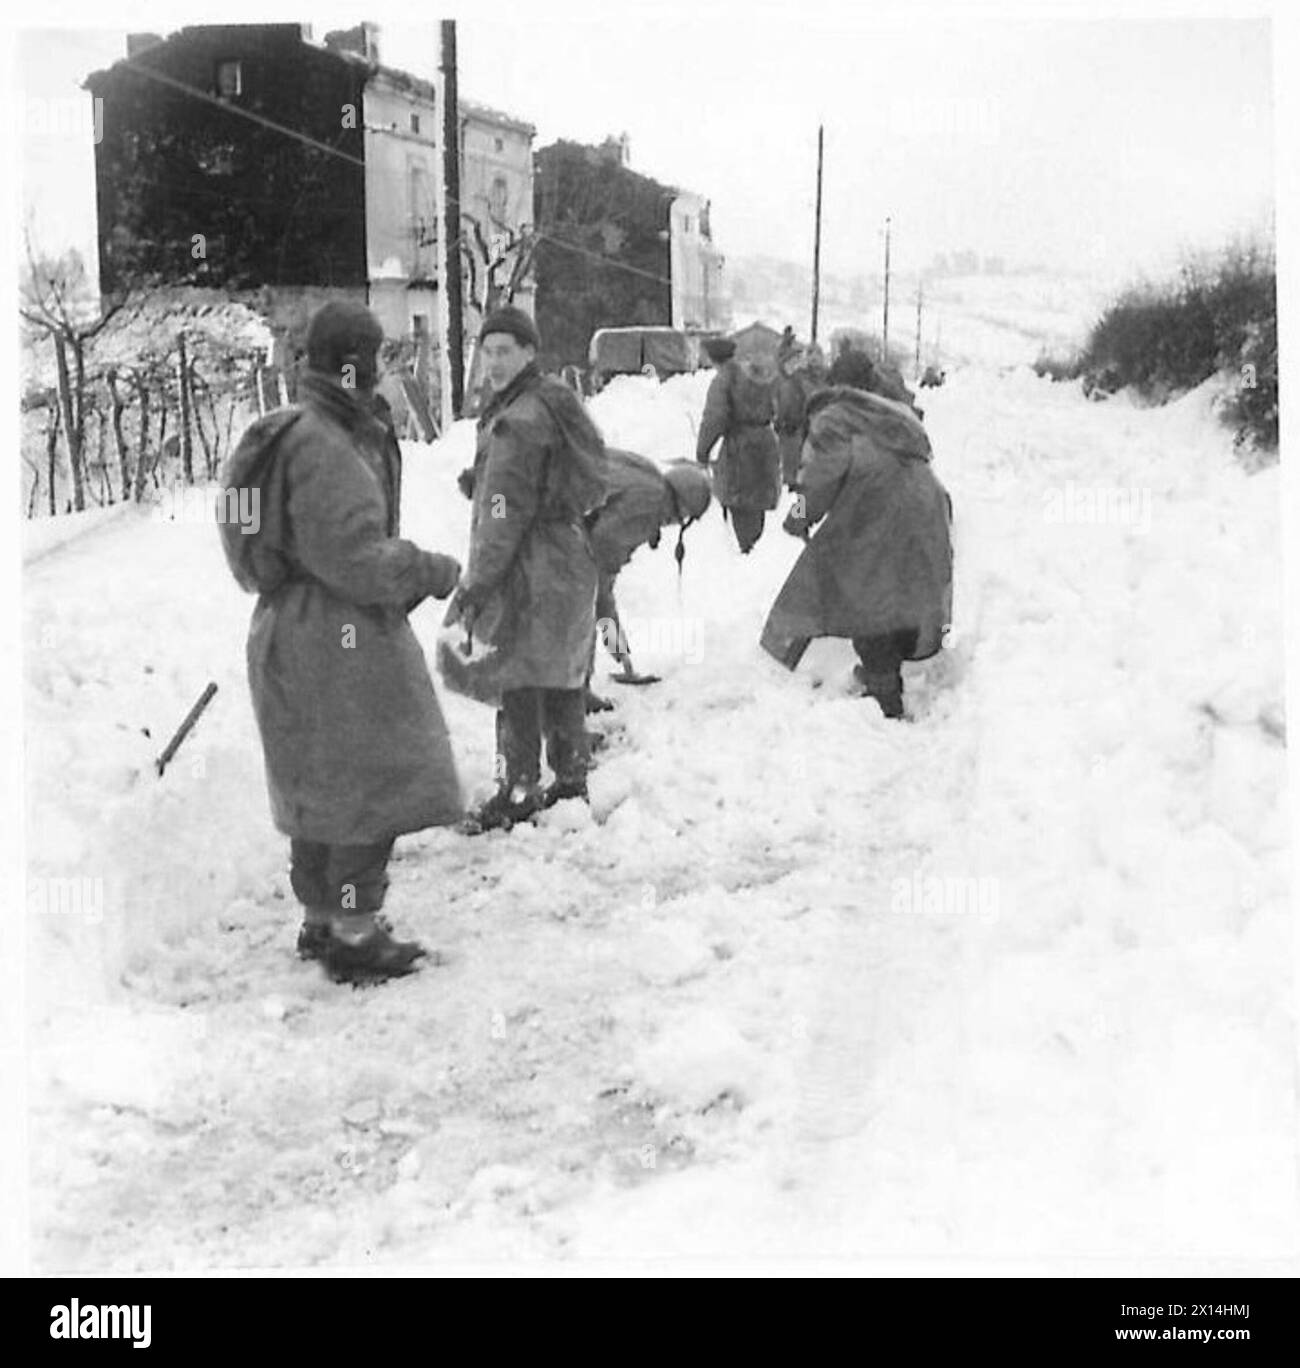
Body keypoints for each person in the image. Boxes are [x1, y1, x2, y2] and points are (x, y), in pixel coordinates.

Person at [221, 300, 463, 983]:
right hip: (340, 632)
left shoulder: (285, 431)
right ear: (358, 362)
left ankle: (323, 917)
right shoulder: (326, 443)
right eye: (382, 357)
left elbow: (259, 537)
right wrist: (429, 569)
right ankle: (354, 933)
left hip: (286, 629)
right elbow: (354, 558)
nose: (387, 371)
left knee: (318, 780)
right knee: (370, 779)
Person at [448, 306, 608, 833]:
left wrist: (478, 582)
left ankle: (517, 787)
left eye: (504, 352)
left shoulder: (517, 420)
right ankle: (570, 782)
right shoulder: (554, 401)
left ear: (528, 353)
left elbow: (503, 511)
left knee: (514, 675)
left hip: (528, 564)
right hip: (567, 554)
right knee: (561, 674)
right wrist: (488, 475)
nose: (492, 363)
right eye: (487, 351)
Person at [760, 378, 953, 719]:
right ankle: (887, 670)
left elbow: (820, 480)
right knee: (900, 592)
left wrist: (798, 517)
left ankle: (885, 697)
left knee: (865, 602)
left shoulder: (830, 420)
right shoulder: (880, 418)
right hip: (926, 506)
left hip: (881, 512)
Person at [584, 450, 712, 706]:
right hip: (558, 536)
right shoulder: (648, 504)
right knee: (581, 609)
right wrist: (618, 650)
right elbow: (598, 571)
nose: (671, 524)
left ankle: (573, 691)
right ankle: (574, 695)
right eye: (679, 518)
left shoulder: (646, 474)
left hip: (550, 515)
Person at [695, 336, 779, 553]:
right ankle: (756, 549)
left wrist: (702, 452)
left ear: (712, 357)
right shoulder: (753, 374)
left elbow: (715, 417)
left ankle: (747, 553)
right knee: (756, 501)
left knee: (740, 501)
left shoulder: (724, 379)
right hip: (765, 442)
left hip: (740, 446)